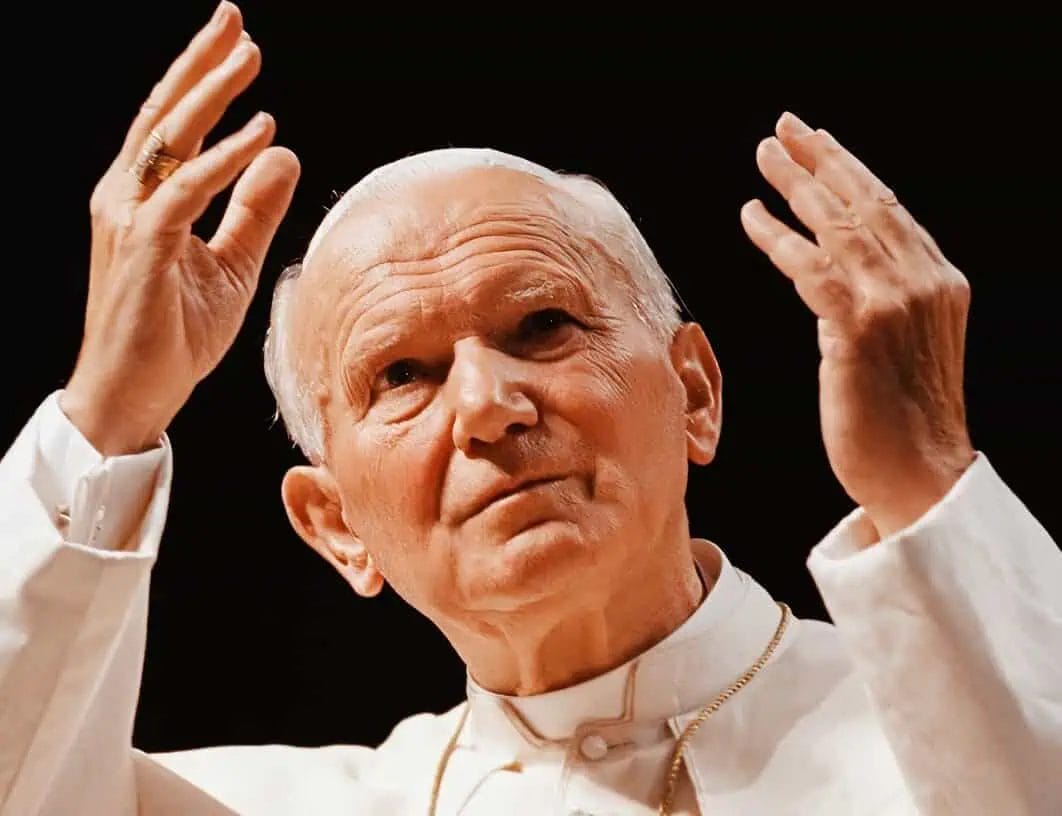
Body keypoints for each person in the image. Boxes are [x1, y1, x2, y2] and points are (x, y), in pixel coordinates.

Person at [1, 3, 1059, 815]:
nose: (490, 405)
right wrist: (107, 413)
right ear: (335, 526)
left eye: (544, 326)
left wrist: (928, 480)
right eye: (400, 377)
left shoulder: (950, 712)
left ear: (693, 394)